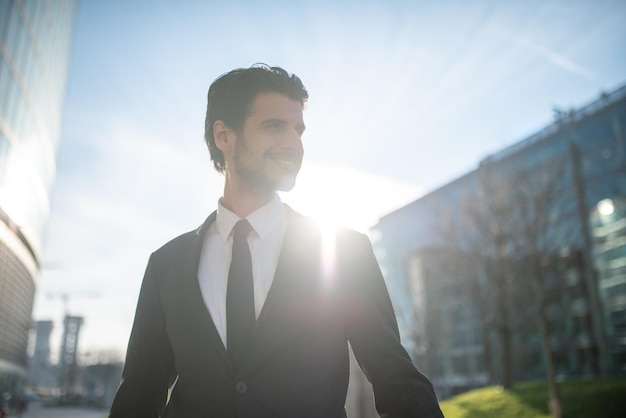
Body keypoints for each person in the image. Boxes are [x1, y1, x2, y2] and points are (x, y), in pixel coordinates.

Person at [109, 64, 444, 418]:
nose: (293, 144)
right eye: (274, 126)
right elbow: (138, 395)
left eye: (298, 130)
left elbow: (399, 383)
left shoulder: (344, 252)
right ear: (224, 136)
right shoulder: (166, 265)